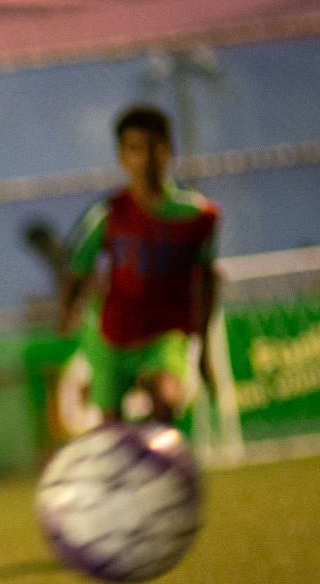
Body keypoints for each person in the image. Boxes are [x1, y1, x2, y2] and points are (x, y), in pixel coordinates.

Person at [59, 105, 220, 425]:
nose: (144, 159)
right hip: (112, 335)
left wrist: (205, 350)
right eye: (134, 149)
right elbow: (77, 271)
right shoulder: (107, 215)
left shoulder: (198, 217)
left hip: (165, 334)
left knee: (165, 403)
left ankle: (160, 471)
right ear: (122, 156)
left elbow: (207, 281)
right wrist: (69, 311)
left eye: (153, 148)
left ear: (168, 151)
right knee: (112, 433)